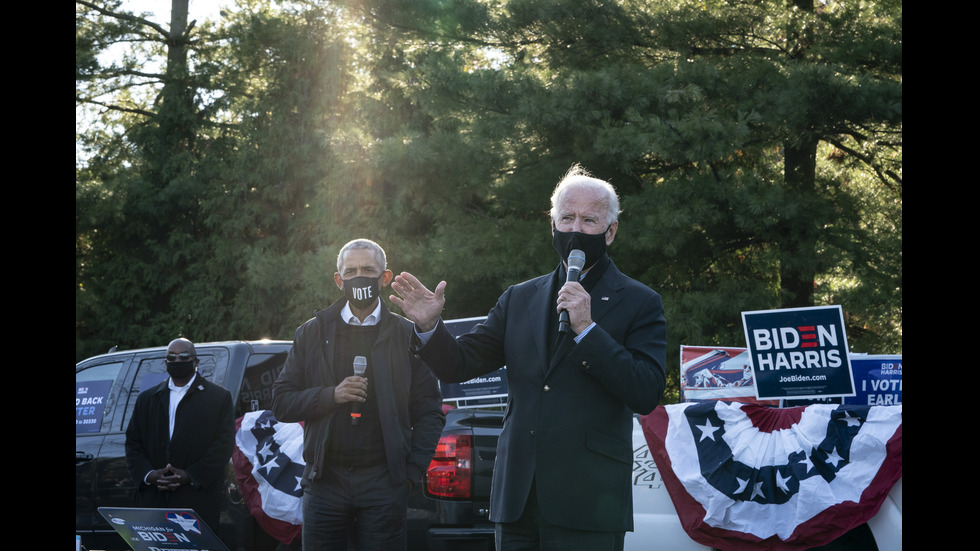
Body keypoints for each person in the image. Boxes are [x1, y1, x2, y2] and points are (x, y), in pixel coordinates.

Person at [390, 165, 667, 551]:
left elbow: (646, 391)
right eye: (566, 218)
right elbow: (460, 363)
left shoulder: (640, 301)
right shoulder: (520, 297)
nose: (575, 229)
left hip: (589, 503)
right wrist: (429, 328)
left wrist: (588, 329)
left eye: (589, 220)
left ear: (611, 231)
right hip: (517, 500)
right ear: (551, 224)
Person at [272, 238, 445, 551]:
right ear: (339, 281)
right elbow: (282, 402)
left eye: (368, 269)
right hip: (324, 481)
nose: (358, 276)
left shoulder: (408, 335)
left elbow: (430, 410)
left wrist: (410, 473)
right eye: (350, 271)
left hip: (384, 482)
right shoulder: (312, 332)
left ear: (385, 277)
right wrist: (331, 395)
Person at [125, 338, 236, 534]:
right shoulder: (147, 398)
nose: (177, 361)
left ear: (196, 361)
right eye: (171, 357)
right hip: (154, 500)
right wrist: (150, 475)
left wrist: (190, 475)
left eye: (183, 356)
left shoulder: (218, 398)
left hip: (196, 500)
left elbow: (223, 445)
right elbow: (134, 443)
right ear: (165, 362)